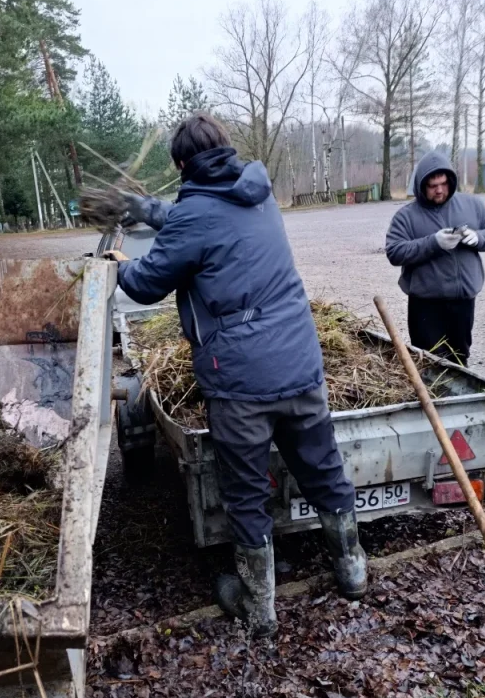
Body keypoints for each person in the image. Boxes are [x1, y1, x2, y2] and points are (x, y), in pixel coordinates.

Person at [104, 113, 366, 638]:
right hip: (298, 358)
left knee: (245, 492)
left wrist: (117, 262)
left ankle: (259, 606)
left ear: (181, 165)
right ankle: (352, 567)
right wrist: (146, 210)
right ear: (224, 149)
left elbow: (151, 282)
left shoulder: (193, 214)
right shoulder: (257, 190)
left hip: (241, 378)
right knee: (321, 465)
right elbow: (196, 218)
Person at [385, 151, 485, 366]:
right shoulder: (406, 216)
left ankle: (463, 398)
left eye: (443, 183)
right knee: (428, 361)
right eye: (432, 186)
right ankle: (429, 398)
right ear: (422, 186)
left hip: (463, 301)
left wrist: (478, 237)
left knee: (460, 359)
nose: (439, 190)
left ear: (450, 181)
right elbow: (394, 251)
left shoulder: (471, 205)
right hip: (426, 305)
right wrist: (433, 243)